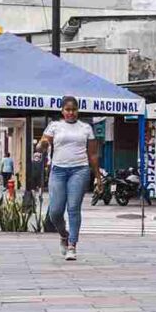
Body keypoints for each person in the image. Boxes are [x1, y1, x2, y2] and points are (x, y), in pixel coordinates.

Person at [33, 96, 102, 261]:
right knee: (55, 212)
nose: (71, 113)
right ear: (62, 111)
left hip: (80, 170)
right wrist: (41, 146)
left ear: (78, 110)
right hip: (58, 171)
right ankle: (64, 234)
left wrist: (98, 177)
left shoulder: (86, 128)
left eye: (74, 109)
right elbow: (42, 144)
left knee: (73, 208)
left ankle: (72, 245)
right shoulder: (55, 126)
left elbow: (92, 154)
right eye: (67, 110)